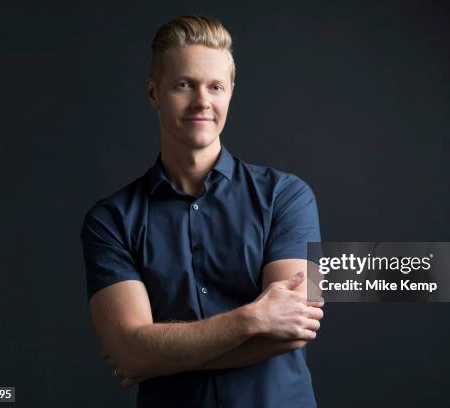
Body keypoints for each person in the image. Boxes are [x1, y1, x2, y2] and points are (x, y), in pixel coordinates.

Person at [80, 15, 324, 407]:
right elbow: (128, 350)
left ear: (230, 93)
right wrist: (251, 319)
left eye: (215, 87)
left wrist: (154, 357)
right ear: (153, 93)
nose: (202, 102)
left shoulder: (288, 196)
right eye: (183, 85)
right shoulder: (110, 221)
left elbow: (294, 329)